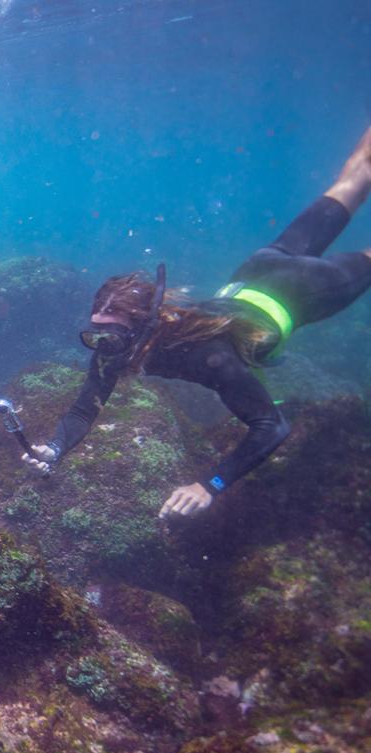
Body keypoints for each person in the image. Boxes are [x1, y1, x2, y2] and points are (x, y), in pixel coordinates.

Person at [23, 125, 371, 519]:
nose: (103, 347)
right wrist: (55, 447)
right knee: (351, 180)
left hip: (305, 289)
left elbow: (272, 425)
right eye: (96, 335)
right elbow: (84, 410)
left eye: (113, 337)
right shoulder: (115, 346)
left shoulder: (208, 355)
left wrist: (210, 484)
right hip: (258, 270)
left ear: (145, 327)